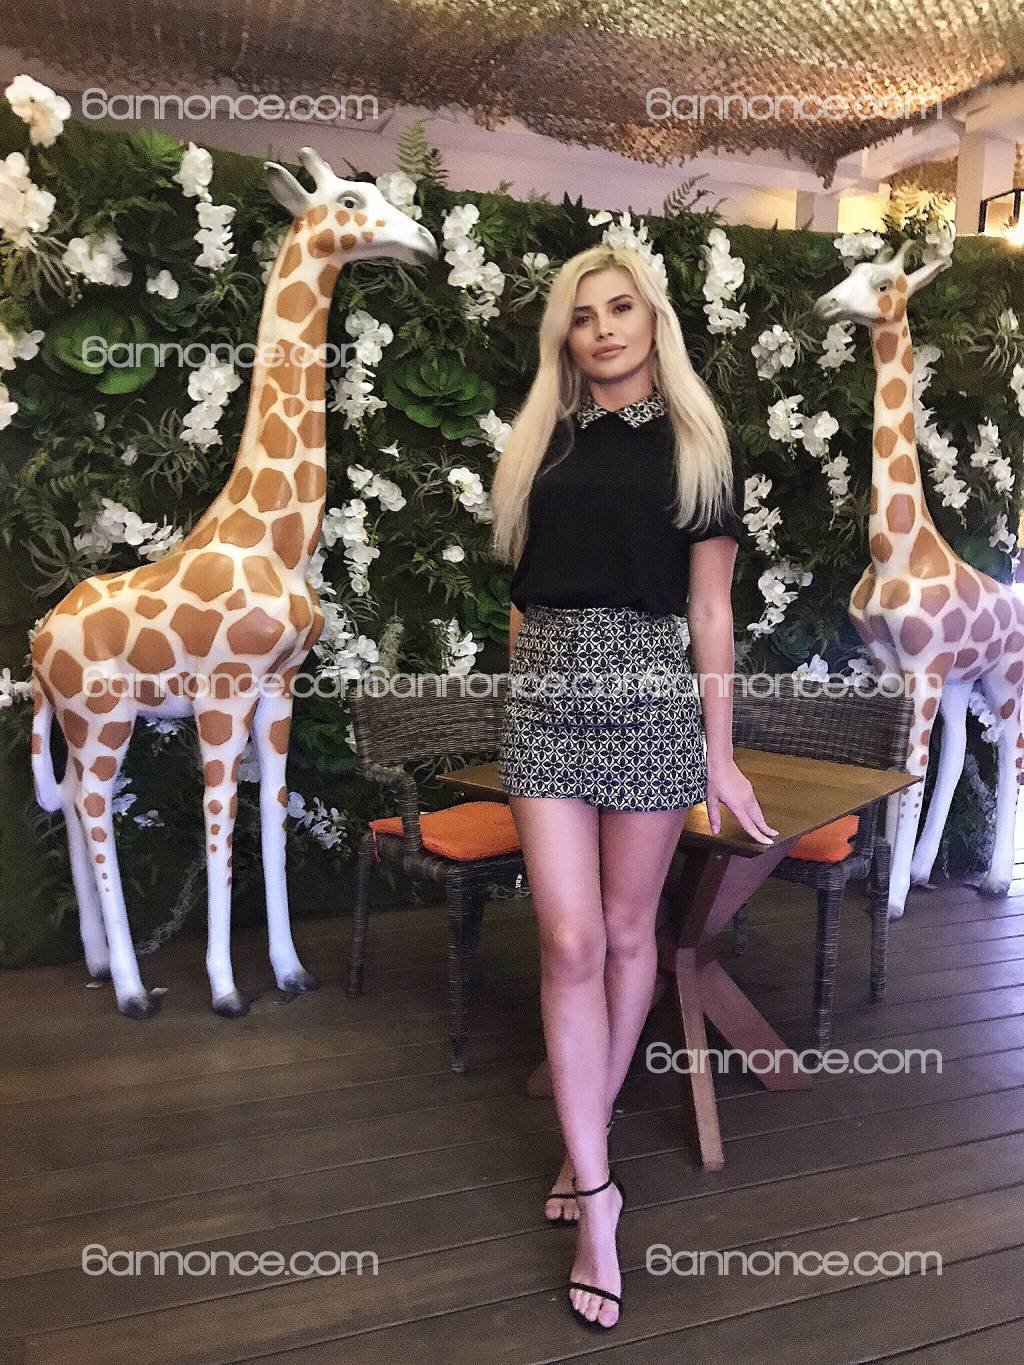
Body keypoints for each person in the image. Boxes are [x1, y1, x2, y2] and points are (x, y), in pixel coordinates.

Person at [489, 244, 778, 1330]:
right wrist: (525, 693)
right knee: (566, 940)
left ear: (653, 320)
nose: (603, 327)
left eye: (621, 308)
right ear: (564, 336)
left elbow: (710, 610)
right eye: (583, 314)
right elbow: (523, 600)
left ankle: (586, 1149)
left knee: (623, 935)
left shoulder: (699, 445)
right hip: (546, 694)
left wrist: (718, 751)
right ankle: (599, 1192)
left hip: (653, 692)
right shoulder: (543, 440)